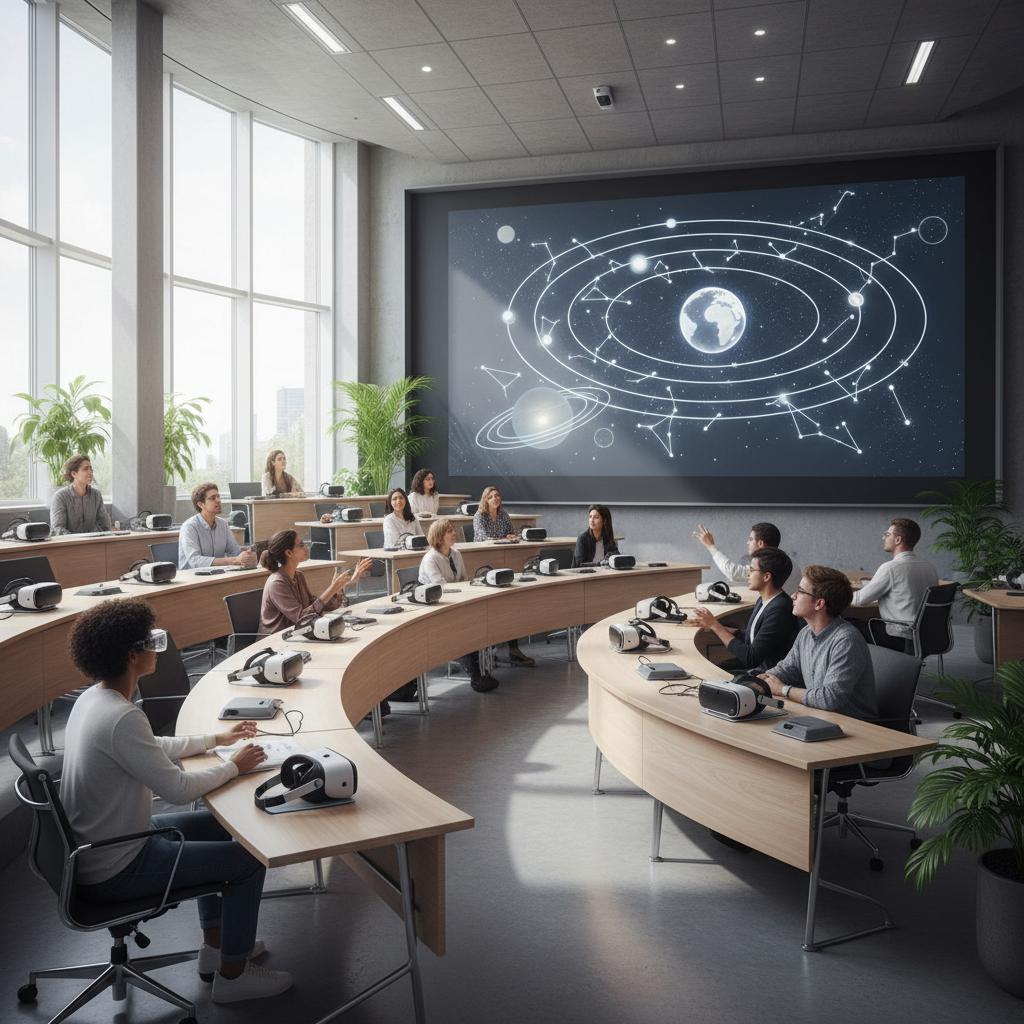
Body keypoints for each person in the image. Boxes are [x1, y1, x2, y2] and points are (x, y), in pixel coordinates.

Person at [60, 596, 292, 1003]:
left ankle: (216, 950)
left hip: (106, 844)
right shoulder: (121, 716)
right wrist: (234, 766)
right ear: (133, 655)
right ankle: (234, 976)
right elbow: (180, 790)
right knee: (250, 860)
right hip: (117, 867)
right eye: (152, 642)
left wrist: (214, 739)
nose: (158, 648)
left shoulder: (94, 700)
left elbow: (149, 747)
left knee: (222, 826)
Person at [759, 565, 877, 721]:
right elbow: (788, 669)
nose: (793, 596)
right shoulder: (806, 633)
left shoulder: (846, 641)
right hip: (820, 718)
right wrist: (758, 682)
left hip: (855, 726)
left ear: (818, 604)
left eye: (800, 591)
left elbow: (829, 698)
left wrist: (783, 690)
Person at [418, 517, 500, 692]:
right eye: (449, 531)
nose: (454, 533)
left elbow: (464, 580)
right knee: (463, 629)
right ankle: (477, 676)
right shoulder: (430, 558)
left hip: (455, 602)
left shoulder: (456, 554)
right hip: (435, 608)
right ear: (439, 536)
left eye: (454, 530)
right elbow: (441, 587)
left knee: (480, 620)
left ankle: (481, 671)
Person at [690, 547, 800, 673]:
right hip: (757, 668)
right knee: (715, 669)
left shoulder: (779, 610)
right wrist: (714, 626)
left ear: (766, 577)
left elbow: (750, 659)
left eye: (752, 570)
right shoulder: (764, 600)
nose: (748, 574)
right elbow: (751, 636)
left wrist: (716, 626)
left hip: (767, 674)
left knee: (711, 674)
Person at [258, 529, 372, 635]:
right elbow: (302, 619)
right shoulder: (277, 583)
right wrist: (332, 588)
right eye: (301, 545)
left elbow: (318, 609)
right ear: (289, 553)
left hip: (297, 634)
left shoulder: (298, 576)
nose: (306, 548)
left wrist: (339, 586)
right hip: (276, 640)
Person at [850, 517, 939, 652]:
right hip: (925, 636)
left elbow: (859, 599)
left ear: (898, 540)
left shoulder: (890, 568)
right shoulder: (929, 566)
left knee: (844, 624)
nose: (883, 538)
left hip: (898, 637)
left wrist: (831, 594)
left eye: (887, 534)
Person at [179, 483, 257, 570]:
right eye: (212, 498)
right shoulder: (189, 527)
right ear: (200, 504)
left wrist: (248, 554)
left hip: (216, 574)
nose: (218, 500)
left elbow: (235, 551)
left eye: (218, 497)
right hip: (191, 575)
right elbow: (195, 561)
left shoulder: (223, 524)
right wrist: (234, 560)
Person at [692, 521, 781, 584]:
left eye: (751, 539)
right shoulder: (779, 560)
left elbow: (733, 573)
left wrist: (710, 546)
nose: (748, 543)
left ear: (761, 543)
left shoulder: (767, 565)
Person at [50, 455, 113, 535]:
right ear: (73, 474)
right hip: (68, 542)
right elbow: (58, 529)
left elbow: (105, 526)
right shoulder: (60, 496)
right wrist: (79, 540)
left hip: (92, 541)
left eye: (91, 469)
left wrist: (91, 537)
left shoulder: (96, 495)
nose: (90, 472)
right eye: (85, 469)